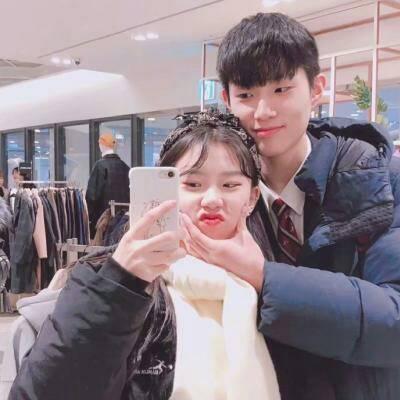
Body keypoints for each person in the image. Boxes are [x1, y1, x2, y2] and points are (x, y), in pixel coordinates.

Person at [179, 12, 400, 400]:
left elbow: (393, 320)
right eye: (246, 95)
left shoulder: (381, 181)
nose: (263, 111)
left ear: (316, 89)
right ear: (227, 98)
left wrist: (263, 275)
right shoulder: (211, 195)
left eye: (281, 89)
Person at [9, 111, 281, 400]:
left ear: (252, 198)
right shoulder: (111, 278)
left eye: (230, 185)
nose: (212, 200)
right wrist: (119, 284)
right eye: (192, 184)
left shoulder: (274, 283)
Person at [86, 133, 130, 238]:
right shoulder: (126, 167)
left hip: (104, 221)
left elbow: (92, 196)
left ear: (101, 145)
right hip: (123, 221)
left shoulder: (100, 166)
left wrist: (88, 218)